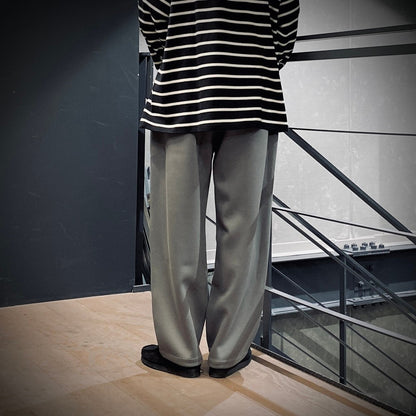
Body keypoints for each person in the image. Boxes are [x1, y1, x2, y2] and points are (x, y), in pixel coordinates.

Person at [138, 0, 299, 378]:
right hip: (253, 92)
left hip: (183, 87)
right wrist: (252, 59)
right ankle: (229, 352)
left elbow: (153, 17)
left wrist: (180, 53)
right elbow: (285, 28)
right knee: (245, 232)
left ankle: (180, 352)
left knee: (175, 231)